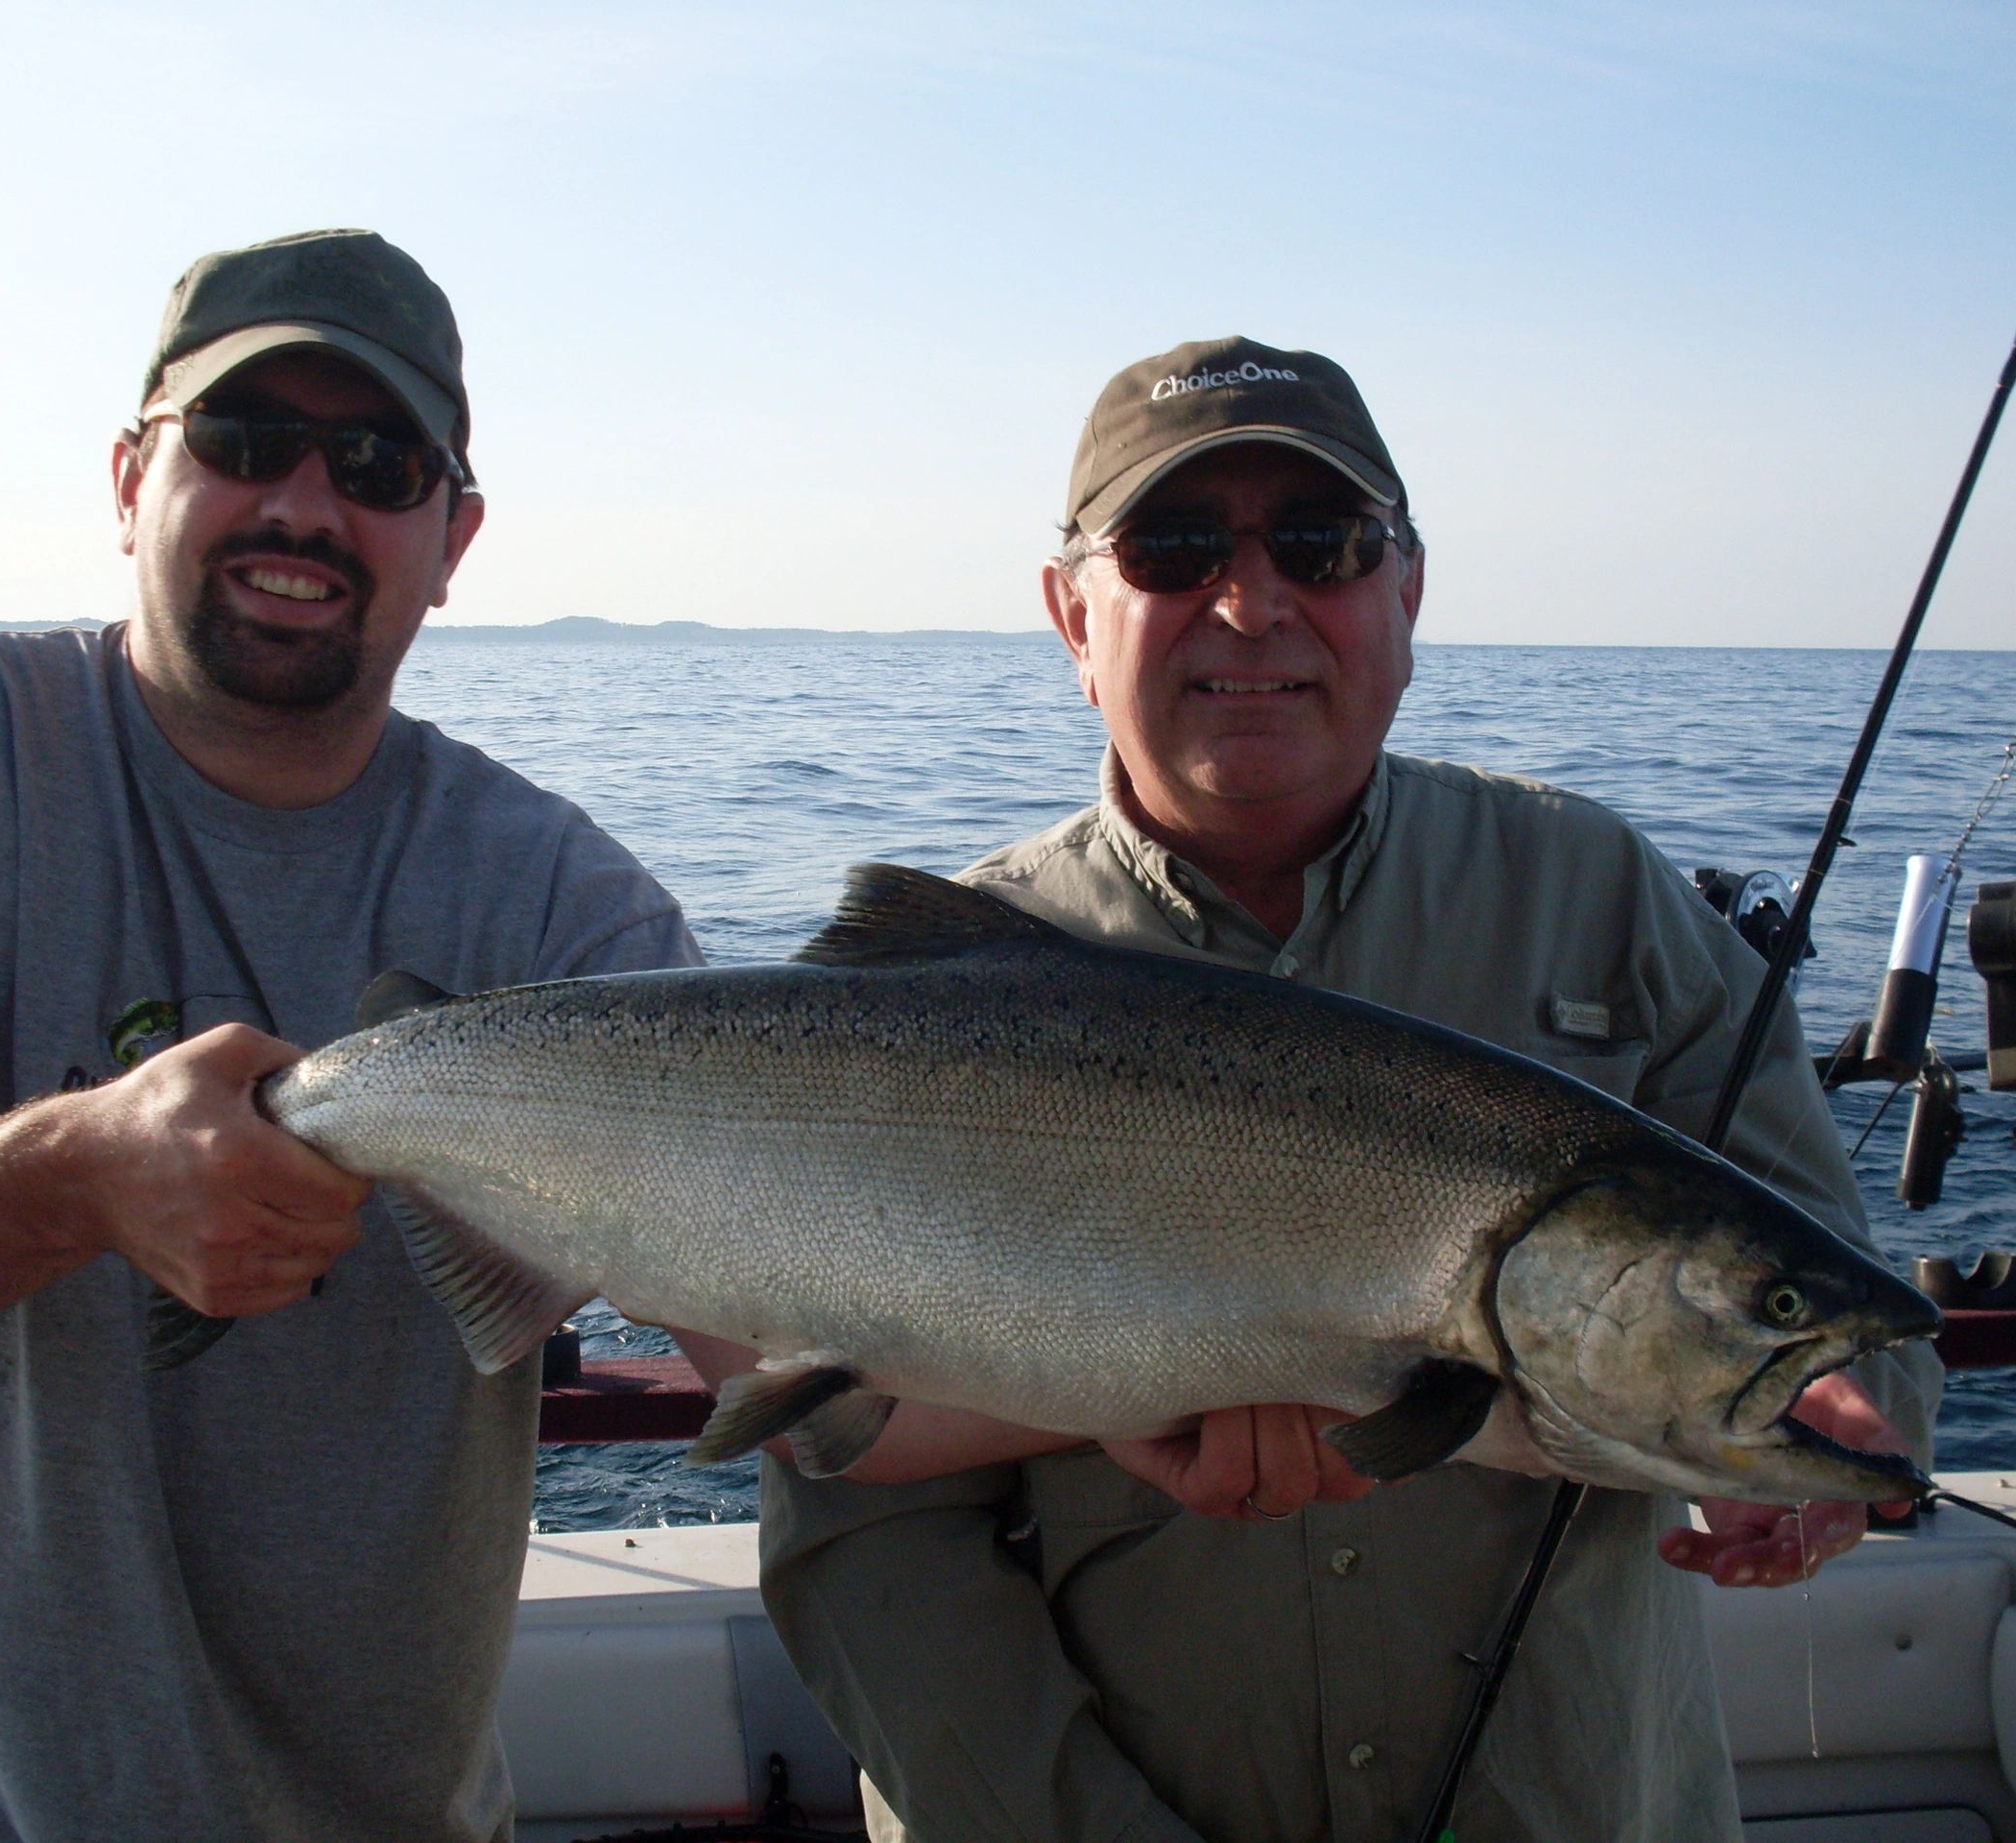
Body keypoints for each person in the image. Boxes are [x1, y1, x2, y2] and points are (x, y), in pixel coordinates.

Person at [753, 336, 1943, 1842]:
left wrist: (1816, 1464)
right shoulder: (915, 1006)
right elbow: (857, 1509)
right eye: (1176, 546)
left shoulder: (1603, 901)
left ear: (1408, 592)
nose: (1252, 603)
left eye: (1321, 544)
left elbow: (1840, 1315)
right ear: (1071, 610)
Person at [0, 229, 699, 1843]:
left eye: (377, 461)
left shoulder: (567, 907)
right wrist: (79, 1174)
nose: (304, 505)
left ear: (452, 537)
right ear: (128, 478)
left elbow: (793, 1358)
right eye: (243, 443)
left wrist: (1181, 1373)